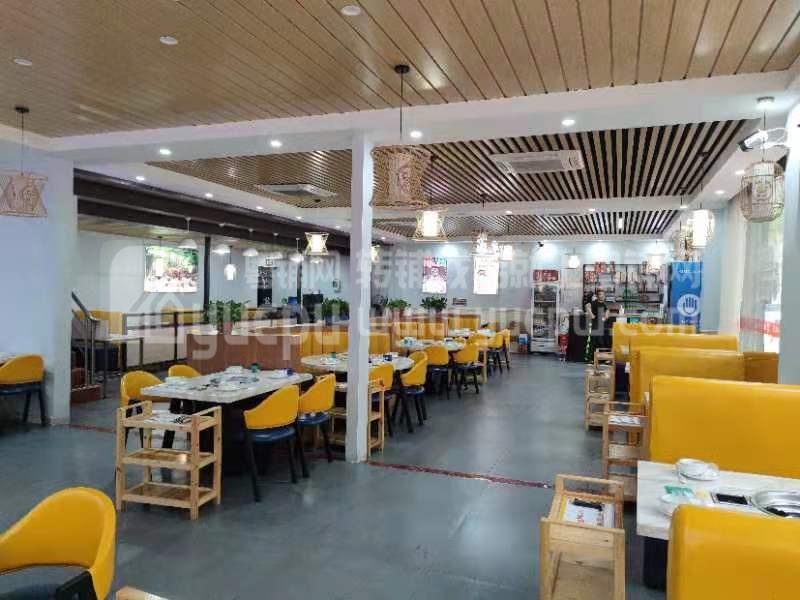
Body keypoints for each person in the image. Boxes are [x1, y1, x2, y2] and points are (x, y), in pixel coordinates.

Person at [584, 289, 608, 362]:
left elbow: (607, 310)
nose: (602, 296)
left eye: (603, 295)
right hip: (595, 324)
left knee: (599, 342)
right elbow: (587, 306)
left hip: (600, 325)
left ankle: (600, 359)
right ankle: (590, 358)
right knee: (595, 341)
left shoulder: (603, 304)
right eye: (600, 294)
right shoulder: (594, 302)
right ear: (597, 296)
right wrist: (591, 314)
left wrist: (606, 316)